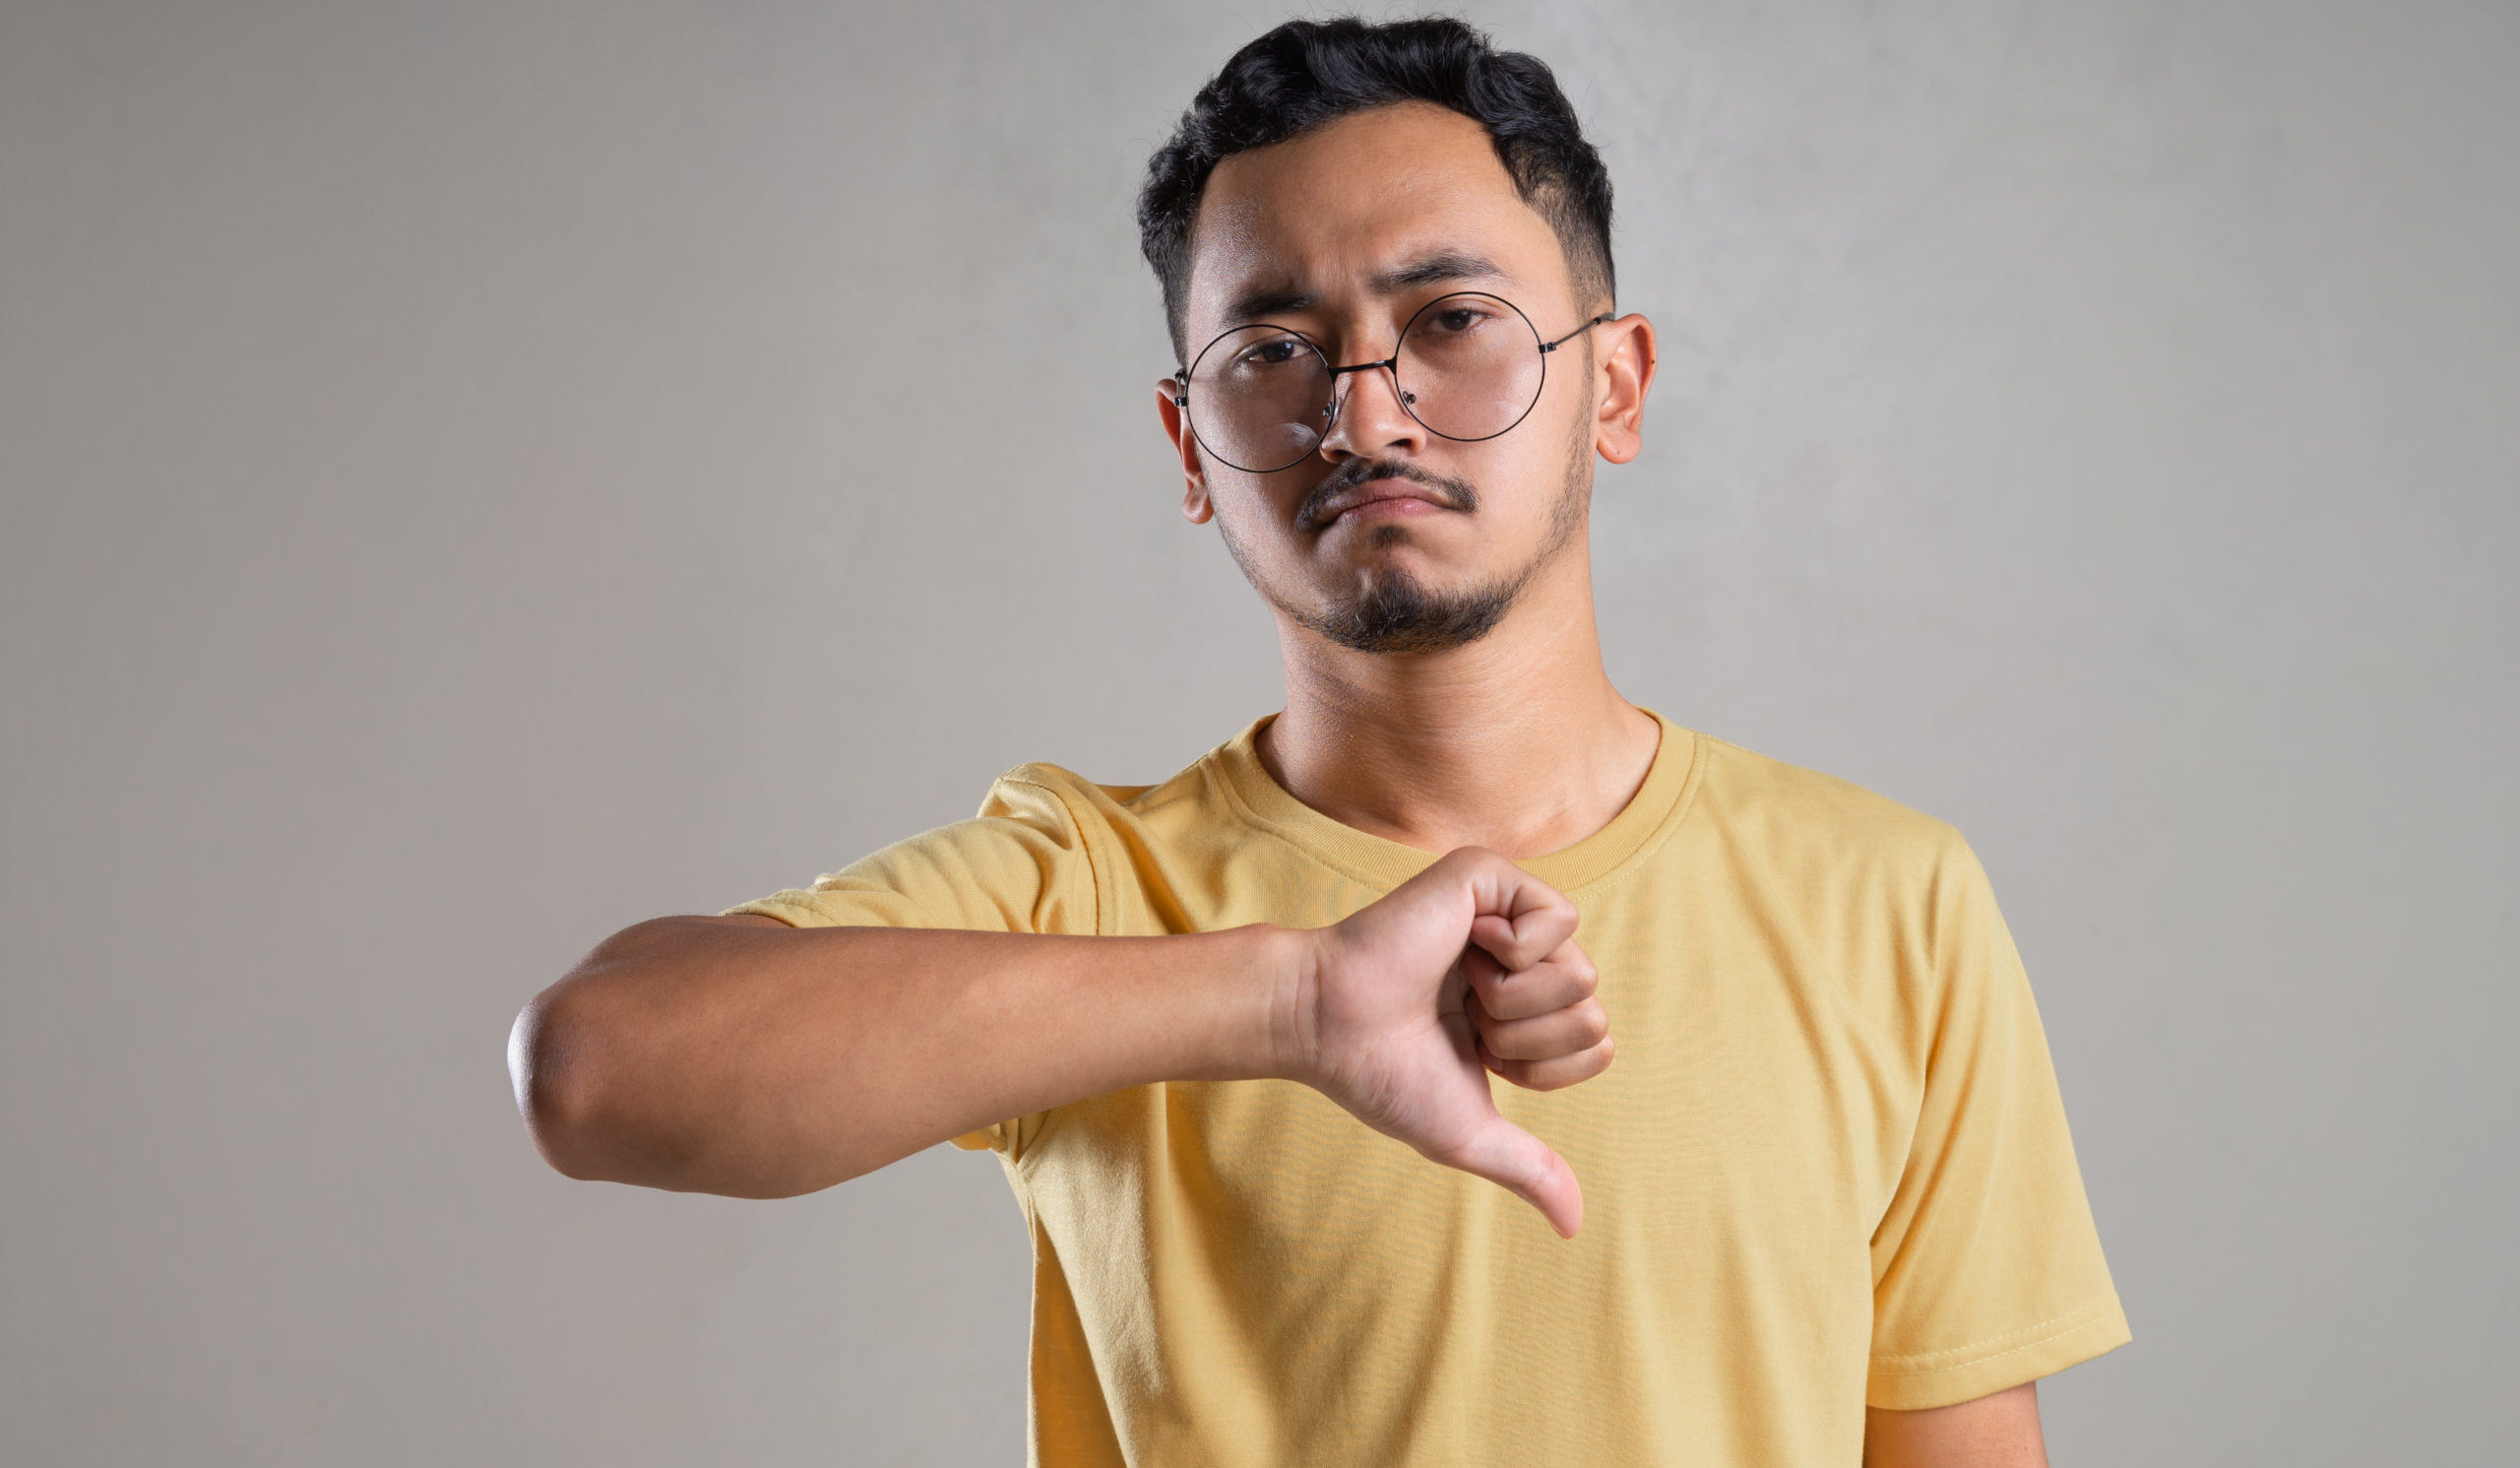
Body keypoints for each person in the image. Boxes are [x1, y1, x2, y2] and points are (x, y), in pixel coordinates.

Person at [508, 16, 2130, 1466]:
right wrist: (1289, 999)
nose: (1364, 409)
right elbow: (598, 1065)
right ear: (1192, 444)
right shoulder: (1094, 884)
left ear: (1615, 388)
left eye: (1452, 319)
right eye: (1272, 352)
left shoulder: (1887, 900)